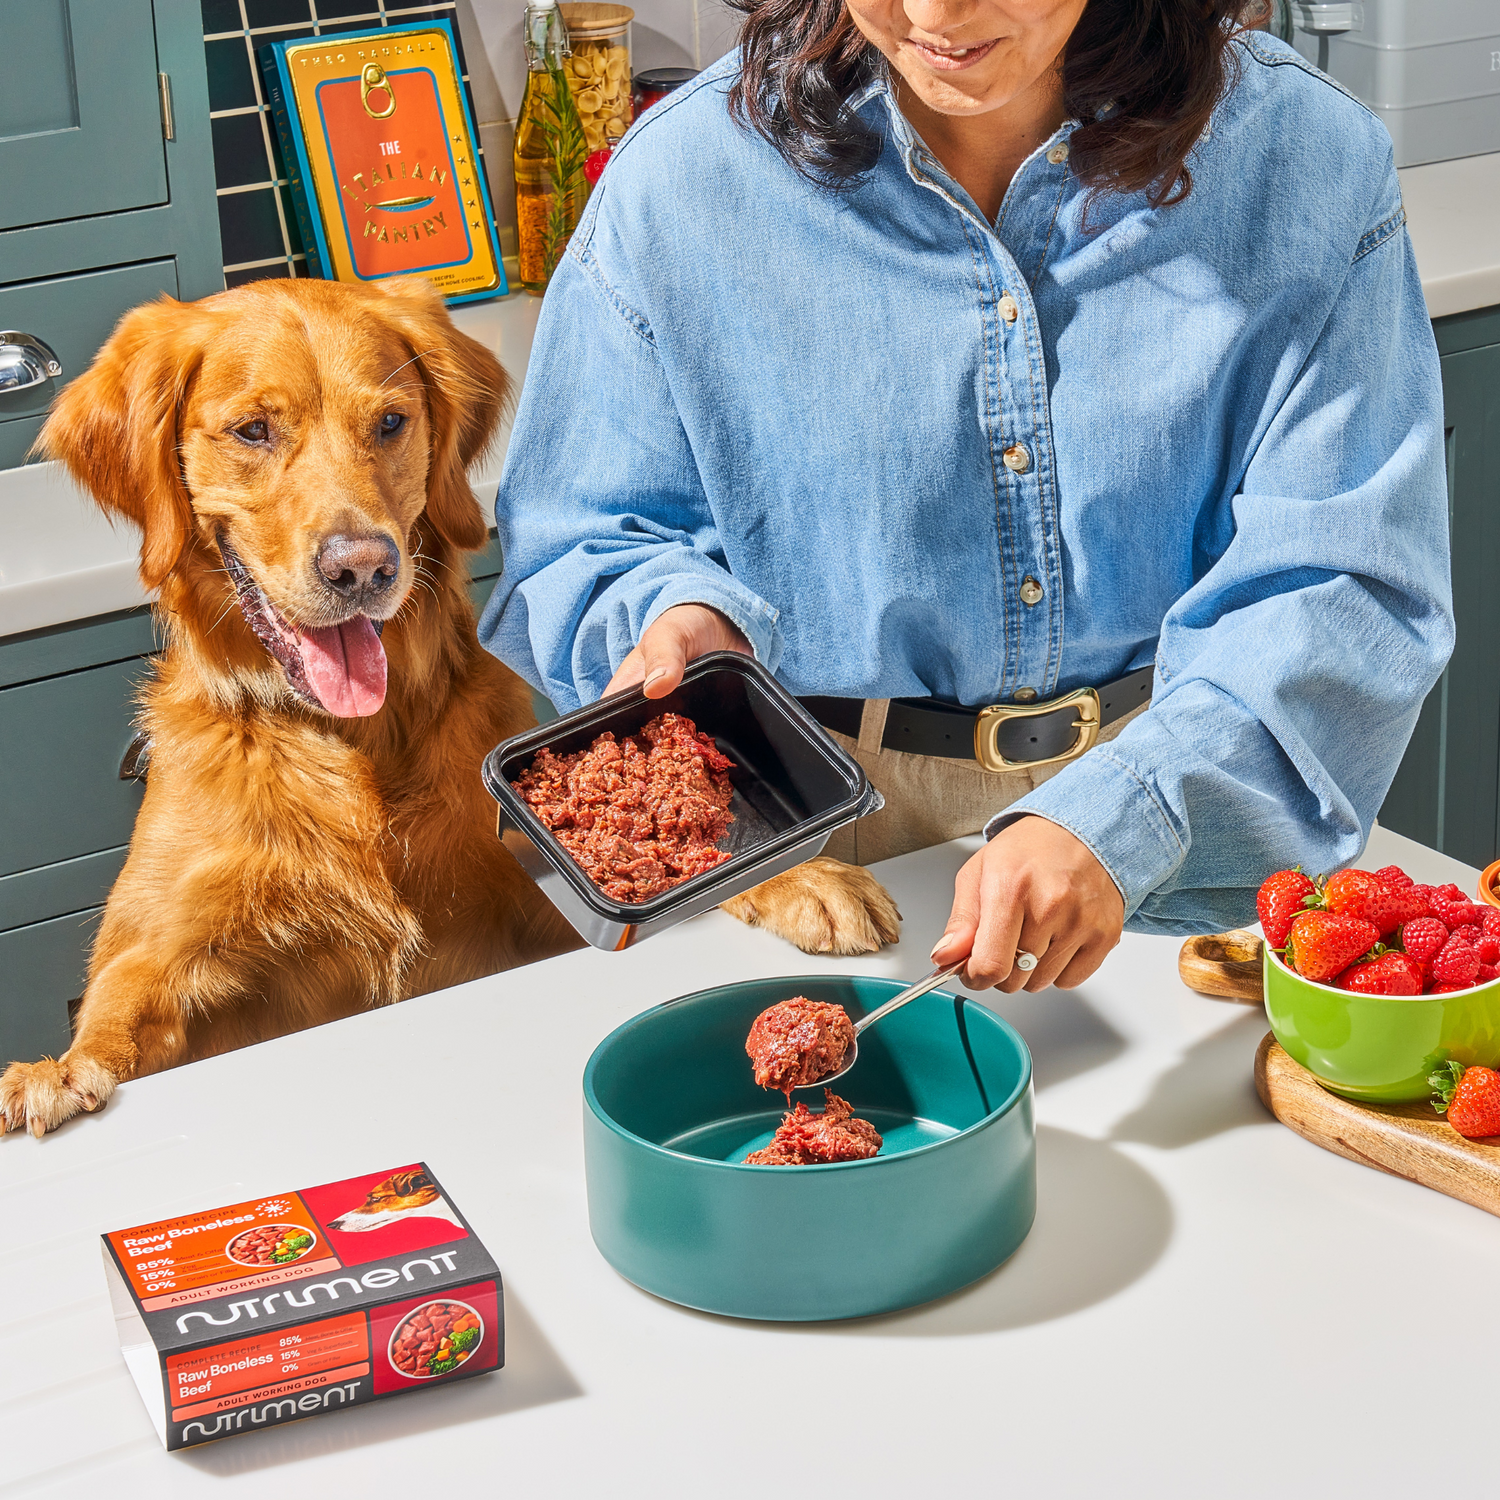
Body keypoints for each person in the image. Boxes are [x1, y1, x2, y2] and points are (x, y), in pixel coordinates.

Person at [479, 0, 1452, 994]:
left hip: (1184, 820)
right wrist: (675, 617)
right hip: (812, 852)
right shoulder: (685, 180)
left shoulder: (1305, 161)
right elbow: (583, 533)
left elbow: (1345, 584)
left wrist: (1126, 813)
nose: (937, 14)